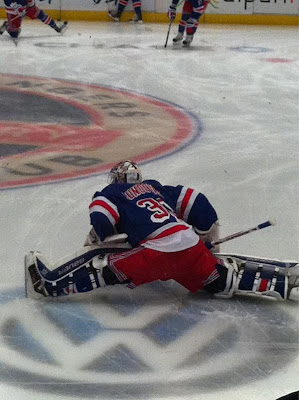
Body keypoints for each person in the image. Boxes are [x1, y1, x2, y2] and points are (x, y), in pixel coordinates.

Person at [25, 160, 299, 301]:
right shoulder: (156, 188)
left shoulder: (111, 192)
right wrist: (206, 237)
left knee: (104, 267)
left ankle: (49, 287)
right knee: (218, 280)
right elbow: (197, 202)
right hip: (189, 243)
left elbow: (102, 220)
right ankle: (286, 286)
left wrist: (101, 237)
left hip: (158, 252)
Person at [0, 0, 68, 45]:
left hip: (26, 5)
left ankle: (57, 28)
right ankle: (7, 25)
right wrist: (15, 7)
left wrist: (31, 3)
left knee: (41, 15)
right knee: (14, 33)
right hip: (13, 9)